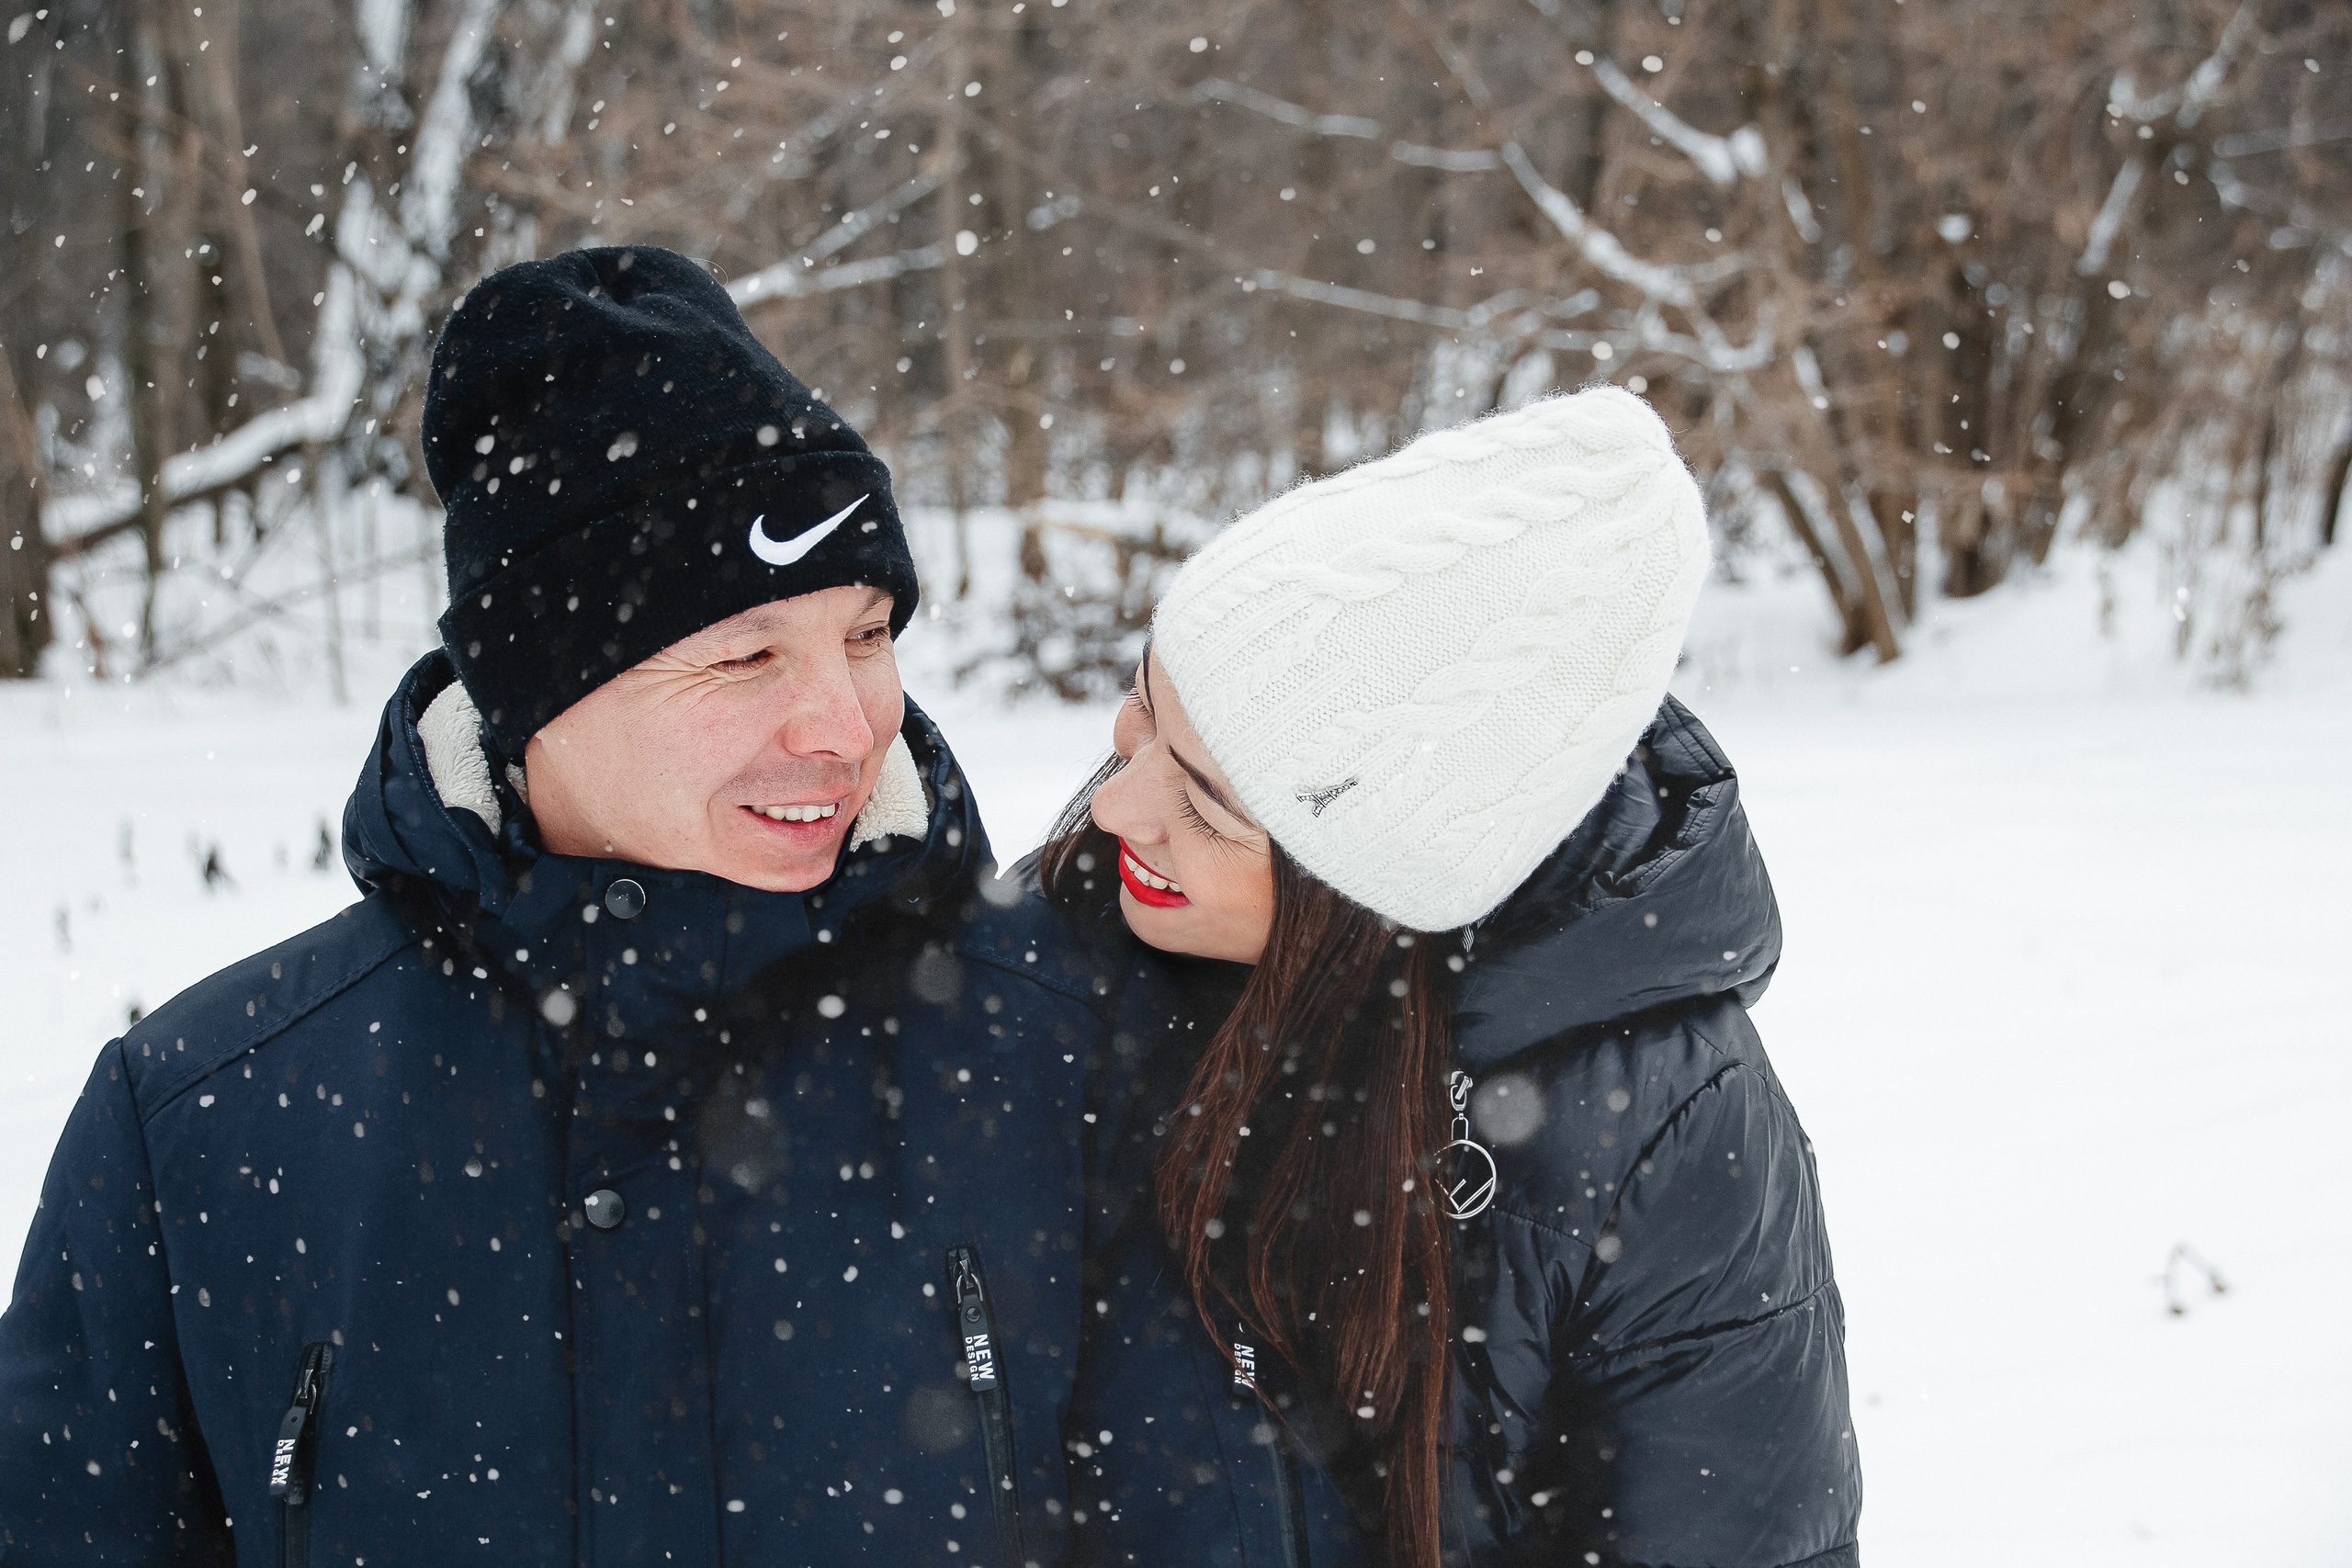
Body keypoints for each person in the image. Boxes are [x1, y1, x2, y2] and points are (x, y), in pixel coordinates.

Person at [0, 248, 1108, 1565]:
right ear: (539, 695)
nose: (850, 723)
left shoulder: (1066, 1050)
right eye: (747, 653)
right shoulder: (208, 1117)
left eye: (866, 633)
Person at [1046, 391, 1860, 1567]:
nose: (1116, 808)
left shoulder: (1665, 1134)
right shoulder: (1058, 962)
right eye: (1140, 715)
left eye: (1206, 804)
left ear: (1372, 891)